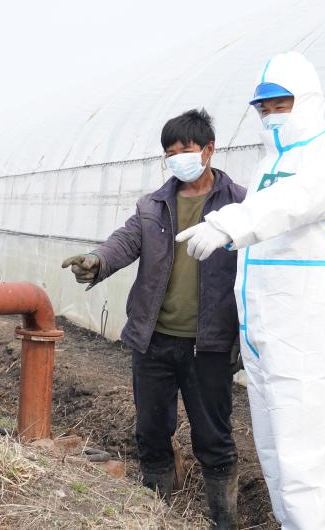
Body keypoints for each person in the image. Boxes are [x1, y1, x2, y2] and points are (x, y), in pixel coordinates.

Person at [176, 52, 325, 529]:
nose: (271, 116)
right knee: (276, 448)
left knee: (308, 452)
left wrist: (227, 222)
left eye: (281, 104)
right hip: (268, 333)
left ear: (308, 100)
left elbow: (293, 203)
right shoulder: (269, 164)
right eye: (264, 108)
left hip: (311, 332)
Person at [62, 109, 246, 529]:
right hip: (154, 340)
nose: (178, 158)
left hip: (209, 343)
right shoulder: (154, 205)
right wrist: (97, 259)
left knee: (213, 438)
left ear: (209, 149)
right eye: (170, 152)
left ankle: (225, 522)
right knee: (150, 432)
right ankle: (156, 517)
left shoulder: (240, 203)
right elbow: (126, 240)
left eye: (185, 149)